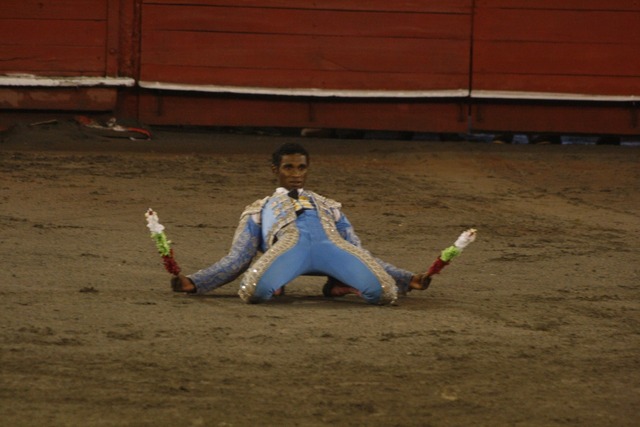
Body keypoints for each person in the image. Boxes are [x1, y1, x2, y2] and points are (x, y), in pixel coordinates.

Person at [171, 142, 431, 305]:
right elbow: (238, 258)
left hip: (333, 253)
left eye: (301, 168)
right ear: (275, 170)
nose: (296, 174)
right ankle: (280, 280)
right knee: (253, 292)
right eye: (288, 167)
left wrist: (407, 279)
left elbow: (358, 251)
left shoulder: (329, 206)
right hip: (288, 255)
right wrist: (195, 282)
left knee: (385, 294)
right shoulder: (257, 210)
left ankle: (338, 282)